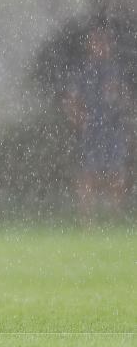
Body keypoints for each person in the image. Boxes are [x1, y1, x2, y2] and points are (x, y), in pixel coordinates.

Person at [61, 20, 132, 223]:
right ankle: (87, 221)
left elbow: (126, 100)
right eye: (96, 41)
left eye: (105, 42)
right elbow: (70, 100)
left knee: (116, 174)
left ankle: (114, 218)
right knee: (88, 174)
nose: (101, 46)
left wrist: (121, 103)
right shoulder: (82, 72)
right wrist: (78, 120)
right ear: (90, 44)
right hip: (91, 130)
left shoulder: (117, 71)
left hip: (114, 129)